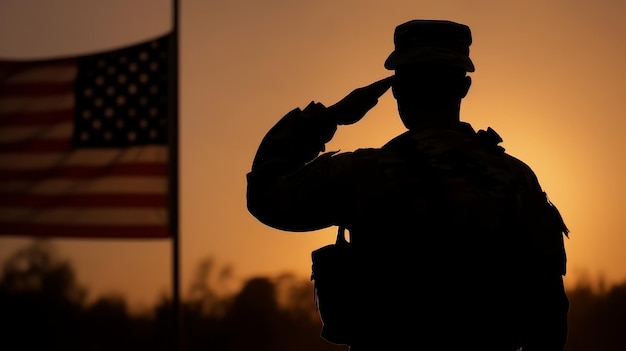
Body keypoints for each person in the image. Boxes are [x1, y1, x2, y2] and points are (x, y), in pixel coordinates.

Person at [247, 19, 569, 351]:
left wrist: (327, 118)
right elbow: (549, 310)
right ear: (464, 87)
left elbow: (266, 195)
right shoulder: (516, 179)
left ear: (396, 89)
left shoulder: (362, 173)